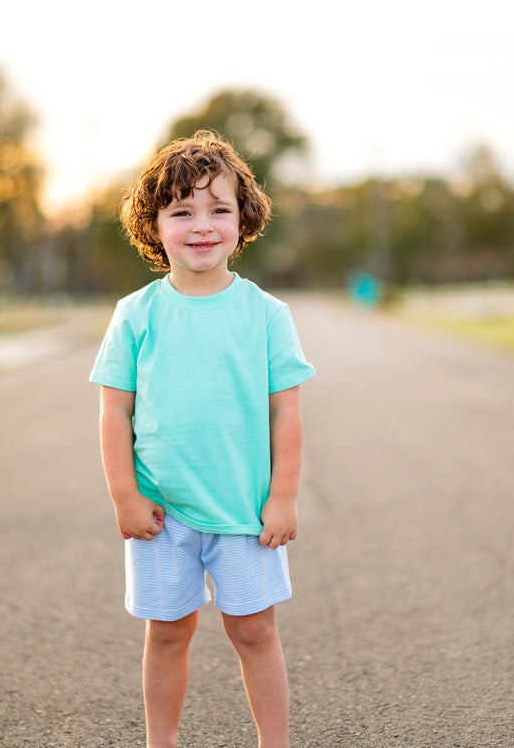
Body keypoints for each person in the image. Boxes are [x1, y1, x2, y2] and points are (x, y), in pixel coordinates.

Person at [89, 130, 315, 748]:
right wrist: (124, 498)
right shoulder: (135, 315)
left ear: (243, 218)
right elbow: (114, 414)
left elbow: (286, 413)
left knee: (255, 632)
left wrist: (284, 497)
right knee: (167, 632)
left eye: (219, 209)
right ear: (153, 225)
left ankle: (276, 742)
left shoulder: (265, 314)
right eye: (182, 211)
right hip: (162, 511)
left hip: (244, 509)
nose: (202, 225)